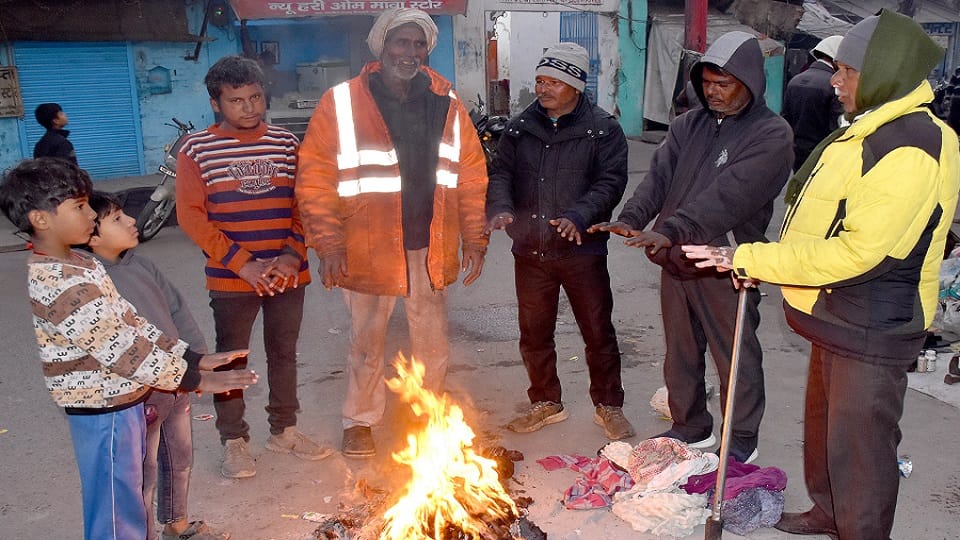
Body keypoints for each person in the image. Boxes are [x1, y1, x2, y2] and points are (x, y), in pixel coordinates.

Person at [683, 10, 959, 539]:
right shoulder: (869, 131)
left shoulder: (911, 146)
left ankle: (860, 529)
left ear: (884, 72)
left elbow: (860, 253)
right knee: (826, 433)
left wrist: (753, 260)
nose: (834, 80)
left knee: (861, 451)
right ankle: (829, 511)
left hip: (873, 324)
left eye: (847, 70)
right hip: (836, 311)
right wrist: (765, 262)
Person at [0, 158, 257, 540]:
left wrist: (191, 358)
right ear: (41, 219)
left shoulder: (80, 262)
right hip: (103, 411)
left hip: (124, 401)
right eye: (79, 207)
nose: (90, 214)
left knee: (128, 499)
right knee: (118, 511)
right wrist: (193, 379)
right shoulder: (60, 281)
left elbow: (133, 324)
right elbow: (123, 349)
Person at [590, 31, 794, 463]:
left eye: (725, 84)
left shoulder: (772, 135)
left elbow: (731, 194)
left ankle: (741, 438)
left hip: (728, 261)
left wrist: (675, 228)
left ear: (751, 82)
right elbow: (659, 178)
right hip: (675, 256)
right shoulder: (688, 125)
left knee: (735, 354)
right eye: (708, 83)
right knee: (680, 351)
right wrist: (631, 219)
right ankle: (691, 424)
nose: (713, 93)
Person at [295, 8, 488, 458]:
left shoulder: (446, 98)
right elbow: (315, 179)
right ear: (381, 46)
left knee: (432, 344)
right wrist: (328, 243)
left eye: (419, 44)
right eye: (401, 42)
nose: (411, 52)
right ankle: (359, 421)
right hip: (368, 247)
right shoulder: (340, 102)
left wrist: (475, 238)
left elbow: (472, 173)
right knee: (366, 343)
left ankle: (429, 422)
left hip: (428, 244)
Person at [177, 55, 332, 479]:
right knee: (231, 358)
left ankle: (284, 431)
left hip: (287, 275)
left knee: (284, 354)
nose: (248, 108)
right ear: (215, 104)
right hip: (232, 280)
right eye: (236, 101)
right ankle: (235, 441)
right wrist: (243, 265)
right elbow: (192, 216)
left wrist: (291, 255)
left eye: (255, 98)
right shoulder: (197, 150)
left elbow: (305, 204)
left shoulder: (285, 143)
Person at [483, 42, 634, 440]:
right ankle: (545, 401)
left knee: (597, 330)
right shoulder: (519, 127)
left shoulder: (604, 129)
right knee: (534, 332)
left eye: (553, 81)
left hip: (581, 251)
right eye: (539, 80)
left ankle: (609, 405)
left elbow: (611, 182)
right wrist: (499, 207)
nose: (543, 87)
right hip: (530, 251)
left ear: (576, 85)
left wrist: (579, 217)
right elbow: (500, 173)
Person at [83, 191, 229, 540]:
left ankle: (176, 524)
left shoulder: (142, 265)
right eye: (117, 219)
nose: (132, 221)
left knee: (180, 458)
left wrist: (197, 359)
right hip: (139, 394)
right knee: (141, 473)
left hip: (177, 381)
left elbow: (178, 310)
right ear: (90, 233)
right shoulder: (91, 279)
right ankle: (142, 533)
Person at [782, 35, 844, 167]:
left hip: (795, 152)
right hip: (820, 154)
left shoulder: (795, 80)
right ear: (836, 59)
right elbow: (836, 126)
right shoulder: (834, 85)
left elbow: (785, 118)